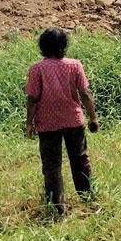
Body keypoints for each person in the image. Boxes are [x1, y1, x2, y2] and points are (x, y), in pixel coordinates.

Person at [25, 28, 99, 214]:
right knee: (80, 159)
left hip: (47, 123)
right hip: (73, 120)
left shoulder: (37, 69)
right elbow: (85, 93)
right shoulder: (75, 65)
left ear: (42, 46)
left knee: (51, 165)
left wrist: (29, 123)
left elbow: (32, 99)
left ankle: (58, 206)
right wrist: (93, 117)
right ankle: (88, 197)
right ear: (64, 45)